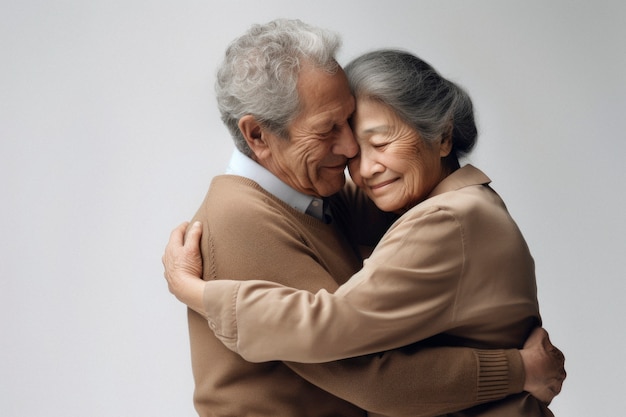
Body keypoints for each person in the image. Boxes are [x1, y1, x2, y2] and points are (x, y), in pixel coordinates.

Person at [166, 19, 565, 417]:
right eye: (330, 130)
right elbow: (368, 373)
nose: (348, 155)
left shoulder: (332, 197)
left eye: (366, 136)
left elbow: (340, 328)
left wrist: (192, 291)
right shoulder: (243, 219)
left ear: (443, 136)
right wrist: (518, 370)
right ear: (257, 136)